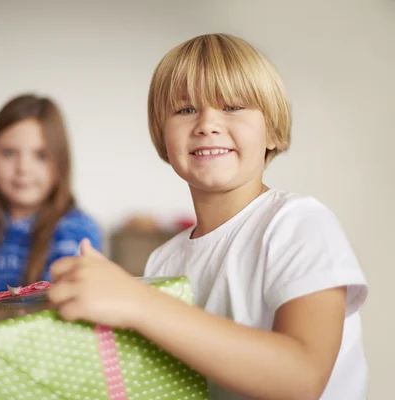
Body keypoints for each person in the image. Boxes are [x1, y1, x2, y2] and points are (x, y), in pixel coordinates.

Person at [47, 33, 368, 400]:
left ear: (271, 128)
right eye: (185, 110)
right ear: (161, 133)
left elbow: (302, 379)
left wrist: (137, 301)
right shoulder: (163, 260)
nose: (207, 124)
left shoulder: (299, 224)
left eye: (232, 106)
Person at [0, 93, 102, 294]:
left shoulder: (75, 230)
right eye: (8, 153)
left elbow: (60, 305)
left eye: (41, 155)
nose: (23, 168)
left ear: (60, 162)